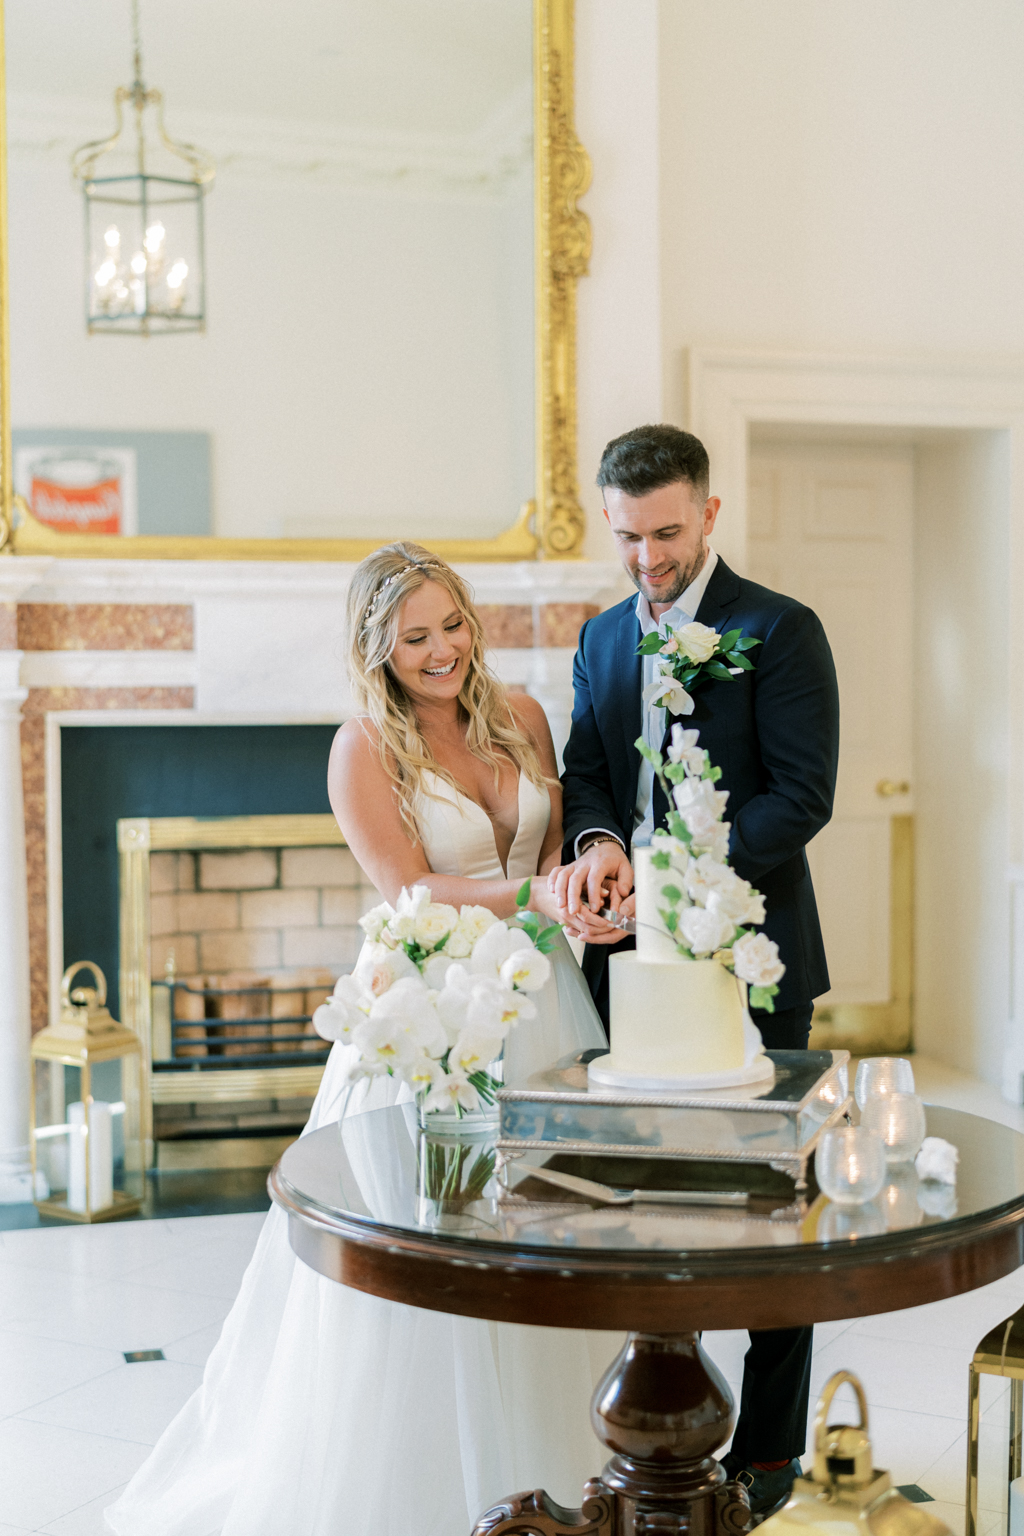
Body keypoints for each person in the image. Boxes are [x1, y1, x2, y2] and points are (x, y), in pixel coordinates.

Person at [106, 543, 615, 1536]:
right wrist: (539, 894)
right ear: (375, 649)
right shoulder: (362, 747)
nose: (440, 652)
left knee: (548, 1228)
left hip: (547, 998)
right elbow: (411, 891)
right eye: (413, 638)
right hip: (436, 1012)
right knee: (437, 1233)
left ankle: (566, 1466)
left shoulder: (523, 717)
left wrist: (574, 893)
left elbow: (553, 840)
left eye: (451, 627)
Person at [550, 423, 841, 1518]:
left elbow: (800, 796)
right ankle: (659, 1431)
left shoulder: (780, 629)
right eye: (628, 536)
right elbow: (585, 775)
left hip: (754, 961)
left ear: (709, 514)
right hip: (626, 970)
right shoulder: (600, 637)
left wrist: (680, 877)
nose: (646, 558)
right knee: (647, 1204)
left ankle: (766, 1458)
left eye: (666, 532)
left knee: (770, 1211)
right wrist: (600, 849)